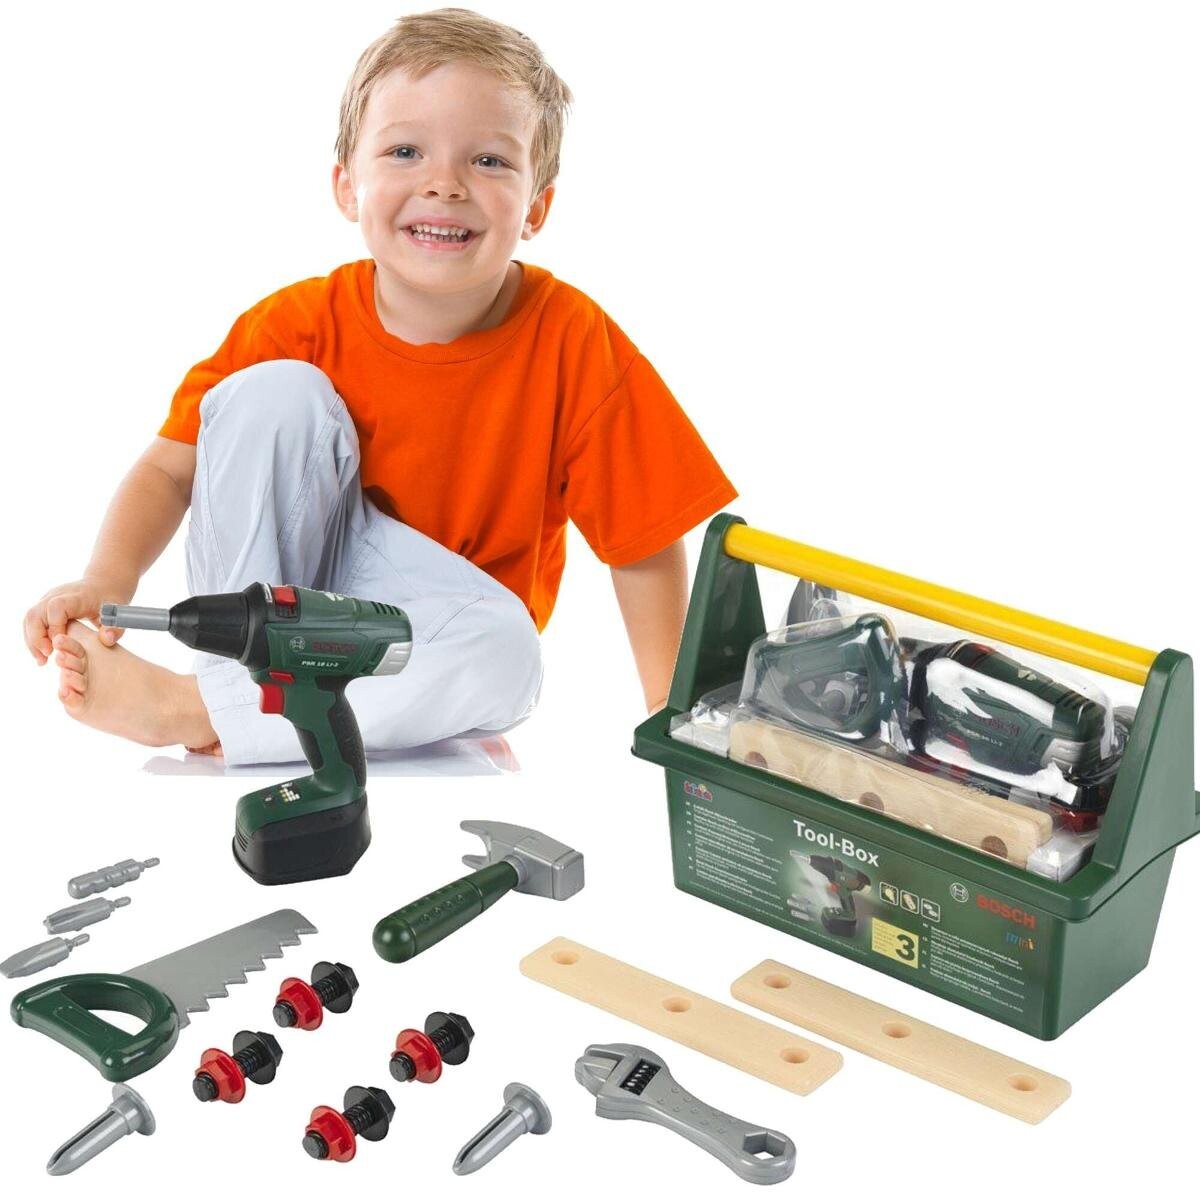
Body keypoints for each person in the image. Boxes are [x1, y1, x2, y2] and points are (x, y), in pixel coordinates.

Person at [22, 8, 736, 765]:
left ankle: (199, 711)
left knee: (511, 652)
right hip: (283, 595)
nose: (444, 184)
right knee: (274, 393)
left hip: (438, 623)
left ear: (536, 206)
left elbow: (642, 544)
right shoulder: (294, 323)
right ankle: (241, 688)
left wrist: (673, 714)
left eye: (488, 160)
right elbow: (171, 470)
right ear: (346, 187)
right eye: (405, 151)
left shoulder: (575, 340)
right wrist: (105, 578)